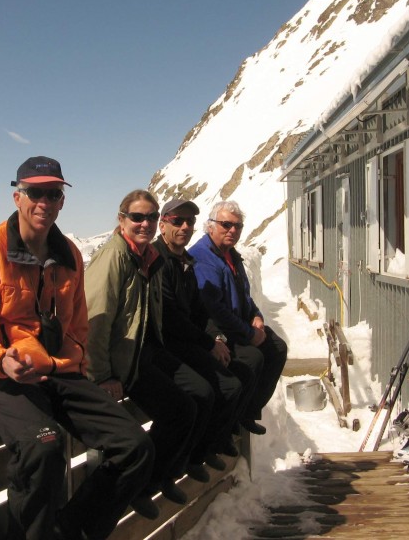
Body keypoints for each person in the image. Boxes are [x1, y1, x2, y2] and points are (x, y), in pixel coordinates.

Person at [0, 157, 154, 540]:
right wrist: (0, 360)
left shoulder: (70, 255)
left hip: (60, 372)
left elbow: (77, 324)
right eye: (35, 192)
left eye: (53, 193)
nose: (44, 201)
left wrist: (73, 362)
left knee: (135, 446)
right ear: (17, 197)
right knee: (44, 447)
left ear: (62, 201)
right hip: (1, 378)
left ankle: (71, 530)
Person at [84, 190, 216, 519]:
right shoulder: (115, 257)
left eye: (151, 217)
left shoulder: (143, 257)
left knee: (199, 395)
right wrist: (102, 376)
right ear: (121, 220)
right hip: (123, 363)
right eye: (137, 217)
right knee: (179, 410)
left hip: (145, 352)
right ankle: (140, 486)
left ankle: (159, 477)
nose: (145, 223)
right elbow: (94, 321)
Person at [152, 198, 255, 461]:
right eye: (177, 221)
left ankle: (201, 451)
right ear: (162, 226)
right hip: (165, 345)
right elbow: (171, 317)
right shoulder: (157, 262)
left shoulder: (184, 260)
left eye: (189, 221)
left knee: (235, 377)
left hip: (186, 340)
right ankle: (180, 461)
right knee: (206, 392)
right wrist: (210, 343)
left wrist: (216, 338)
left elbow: (200, 310)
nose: (185, 226)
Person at [190, 200, 288, 435]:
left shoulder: (231, 255)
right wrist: (248, 334)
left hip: (240, 323)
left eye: (237, 226)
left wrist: (256, 315)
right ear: (210, 226)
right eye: (226, 224)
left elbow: (244, 295)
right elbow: (214, 309)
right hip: (218, 331)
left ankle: (247, 411)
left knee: (277, 348)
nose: (232, 230)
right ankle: (230, 422)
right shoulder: (204, 258)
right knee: (253, 359)